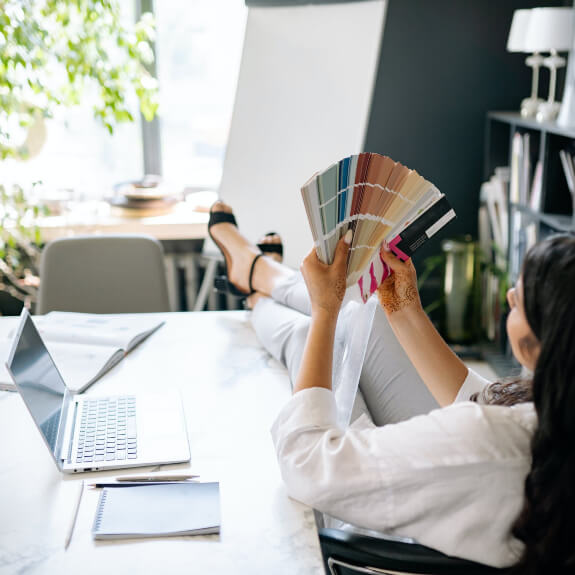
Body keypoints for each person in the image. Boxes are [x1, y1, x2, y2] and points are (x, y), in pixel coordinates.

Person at [207, 200, 575, 573]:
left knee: (312, 338)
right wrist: (405, 307)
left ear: (551, 340)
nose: (511, 296)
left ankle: (255, 287)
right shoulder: (557, 411)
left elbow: (306, 461)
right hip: (472, 483)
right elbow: (486, 404)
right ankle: (261, 276)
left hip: (386, 538)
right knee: (365, 312)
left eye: (523, 300)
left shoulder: (493, 444)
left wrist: (323, 312)